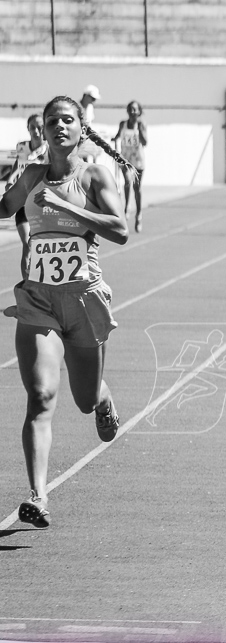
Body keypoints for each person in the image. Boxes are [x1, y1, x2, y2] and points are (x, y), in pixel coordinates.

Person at [0, 95, 135, 529]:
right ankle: (38, 497)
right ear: (43, 129)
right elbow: (5, 208)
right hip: (38, 300)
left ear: (81, 128)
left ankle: (102, 397)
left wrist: (69, 208)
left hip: (83, 300)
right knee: (40, 397)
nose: (60, 126)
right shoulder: (34, 174)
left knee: (82, 397)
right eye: (52, 121)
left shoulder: (93, 174)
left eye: (68, 120)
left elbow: (120, 231)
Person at [4, 114, 49, 280]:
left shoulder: (49, 149)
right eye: (33, 127)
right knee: (27, 244)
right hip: (23, 201)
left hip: (41, 204)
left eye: (39, 127)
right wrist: (10, 179)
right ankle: (27, 286)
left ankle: (42, 281)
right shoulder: (22, 147)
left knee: (37, 244)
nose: (36, 131)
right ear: (28, 129)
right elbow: (18, 163)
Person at [113, 100, 147, 232]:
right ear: (127, 111)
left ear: (139, 112)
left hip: (138, 159)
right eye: (131, 109)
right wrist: (113, 140)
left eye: (135, 110)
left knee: (137, 187)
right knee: (127, 181)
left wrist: (139, 131)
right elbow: (117, 135)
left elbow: (145, 142)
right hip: (126, 159)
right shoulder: (123, 124)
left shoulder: (141, 124)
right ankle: (126, 208)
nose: (133, 112)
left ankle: (138, 214)